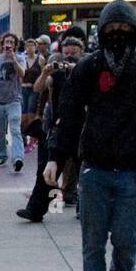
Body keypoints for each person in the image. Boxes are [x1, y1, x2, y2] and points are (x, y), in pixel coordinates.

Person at [46, 0, 136, 271]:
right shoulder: (88, 68)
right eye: (111, 30)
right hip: (94, 169)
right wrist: (56, 157)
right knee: (92, 243)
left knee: (126, 241)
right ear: (101, 32)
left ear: (135, 33)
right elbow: (68, 115)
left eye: (125, 30)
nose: (118, 35)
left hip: (132, 172)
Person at [18, 36, 84, 223]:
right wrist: (46, 72)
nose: (69, 57)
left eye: (74, 53)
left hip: (84, 127)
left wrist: (77, 70)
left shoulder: (88, 70)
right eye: (67, 53)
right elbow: (38, 88)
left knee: (86, 170)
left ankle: (84, 207)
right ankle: (35, 210)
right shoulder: (57, 72)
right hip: (60, 127)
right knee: (47, 168)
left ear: (81, 52)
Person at [0, 32, 25, 170]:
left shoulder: (19, 58)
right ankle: (2, 155)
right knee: (0, 132)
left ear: (15, 45)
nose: (8, 45)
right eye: (6, 42)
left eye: (11, 43)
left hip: (14, 100)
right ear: (1, 44)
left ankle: (18, 158)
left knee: (15, 129)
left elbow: (22, 74)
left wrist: (13, 60)